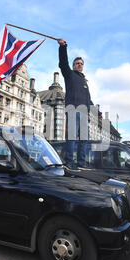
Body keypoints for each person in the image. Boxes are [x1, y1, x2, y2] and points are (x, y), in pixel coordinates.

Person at [57, 38, 96, 169]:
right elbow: (63, 63)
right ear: (74, 65)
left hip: (85, 113)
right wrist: (63, 47)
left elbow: (88, 99)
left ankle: (81, 163)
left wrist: (98, 112)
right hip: (73, 109)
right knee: (72, 137)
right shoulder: (69, 75)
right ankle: (69, 162)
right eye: (77, 63)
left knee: (84, 139)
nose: (79, 65)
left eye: (81, 63)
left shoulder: (85, 81)